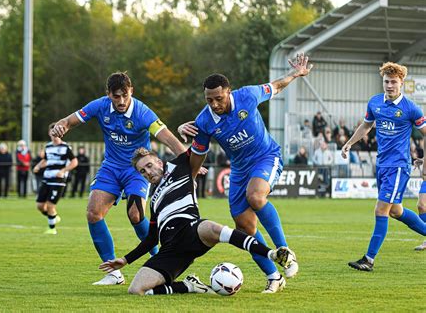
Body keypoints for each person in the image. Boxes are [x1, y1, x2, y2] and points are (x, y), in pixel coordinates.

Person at [177, 52, 312, 293]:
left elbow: (277, 86)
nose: (215, 104)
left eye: (218, 98)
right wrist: (191, 179)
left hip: (266, 156)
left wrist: (296, 73)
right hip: (239, 169)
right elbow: (198, 153)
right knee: (244, 228)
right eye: (209, 100)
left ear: (229, 91)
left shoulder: (248, 95)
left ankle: (285, 252)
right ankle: (273, 276)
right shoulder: (205, 120)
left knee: (256, 197)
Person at [49, 72, 187, 285]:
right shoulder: (100, 106)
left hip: (136, 169)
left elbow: (168, 138)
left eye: (125, 95)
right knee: (93, 213)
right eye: (116, 97)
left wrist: (188, 163)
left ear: (131, 91)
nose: (121, 101)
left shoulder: (143, 113)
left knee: (135, 214)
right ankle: (113, 273)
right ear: (109, 95)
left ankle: (159, 261)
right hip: (111, 167)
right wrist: (61, 126)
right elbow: (69, 121)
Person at [99, 147, 296, 295]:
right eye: (142, 171)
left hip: (192, 229)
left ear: (159, 161)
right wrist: (125, 260)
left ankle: (272, 254)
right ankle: (189, 286)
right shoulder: (153, 201)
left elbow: (200, 143)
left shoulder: (180, 165)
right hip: (171, 249)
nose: (148, 172)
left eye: (149, 166)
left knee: (213, 228)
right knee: (136, 290)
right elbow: (151, 239)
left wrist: (186, 127)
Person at [341, 62, 426, 271]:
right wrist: (350, 143)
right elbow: (367, 125)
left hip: (398, 166)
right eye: (387, 82)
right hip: (382, 165)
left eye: (394, 82)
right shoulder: (375, 102)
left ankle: (368, 259)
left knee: (381, 209)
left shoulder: (411, 108)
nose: (389, 86)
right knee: (396, 211)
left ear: (401, 83)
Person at [33, 123, 78, 234]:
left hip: (58, 180)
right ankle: (54, 216)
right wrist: (38, 166)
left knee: (50, 205)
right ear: (49, 133)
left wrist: (63, 171)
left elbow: (74, 162)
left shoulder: (65, 147)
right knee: (39, 206)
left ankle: (52, 229)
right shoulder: (48, 147)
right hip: (47, 178)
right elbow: (46, 160)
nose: (54, 134)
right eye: (52, 131)